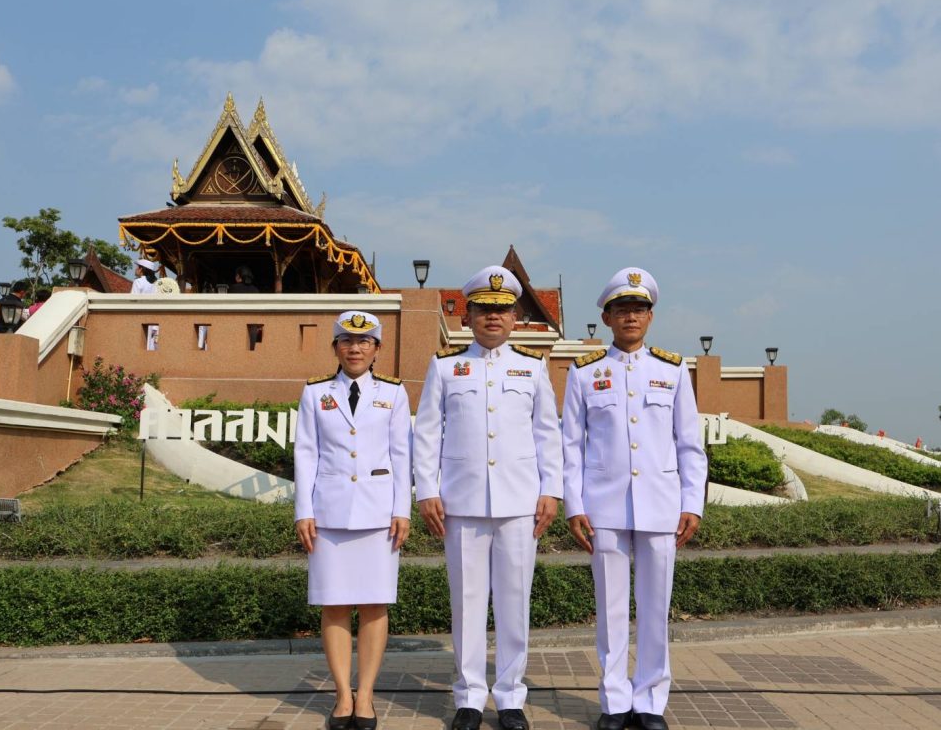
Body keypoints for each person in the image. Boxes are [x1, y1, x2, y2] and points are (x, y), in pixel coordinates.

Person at [413, 266, 563, 730]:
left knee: (515, 602)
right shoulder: (445, 366)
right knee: (467, 603)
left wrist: (552, 490)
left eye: (502, 310)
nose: (492, 317)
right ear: (468, 316)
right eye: (483, 309)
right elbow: (427, 432)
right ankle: (470, 697)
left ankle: (511, 696)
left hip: (520, 503)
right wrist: (427, 489)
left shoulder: (532, 366)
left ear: (515, 317)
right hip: (461, 503)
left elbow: (548, 434)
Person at [561, 268, 707, 730]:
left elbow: (690, 444)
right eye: (622, 309)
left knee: (655, 608)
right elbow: (570, 446)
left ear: (650, 317)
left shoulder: (672, 369)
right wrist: (574, 504)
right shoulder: (585, 372)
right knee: (610, 609)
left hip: (661, 505)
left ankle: (649, 702)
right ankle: (614, 701)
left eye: (639, 309)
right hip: (603, 506)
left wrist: (692, 503)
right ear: (606, 317)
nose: (631, 317)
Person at [294, 311, 412, 730]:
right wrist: (303, 511)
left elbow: (402, 454)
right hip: (328, 513)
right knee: (335, 603)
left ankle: (367, 695)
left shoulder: (394, 393)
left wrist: (403, 509)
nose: (355, 348)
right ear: (335, 348)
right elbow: (306, 452)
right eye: (346, 341)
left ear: (377, 349)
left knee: (375, 604)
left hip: (379, 515)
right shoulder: (315, 393)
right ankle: (343, 694)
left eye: (364, 342)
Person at [131, 259, 159, 349]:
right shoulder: (155, 284)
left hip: (139, 317)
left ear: (141, 269)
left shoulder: (138, 282)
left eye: (137, 267)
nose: (136, 269)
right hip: (152, 320)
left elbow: (133, 301)